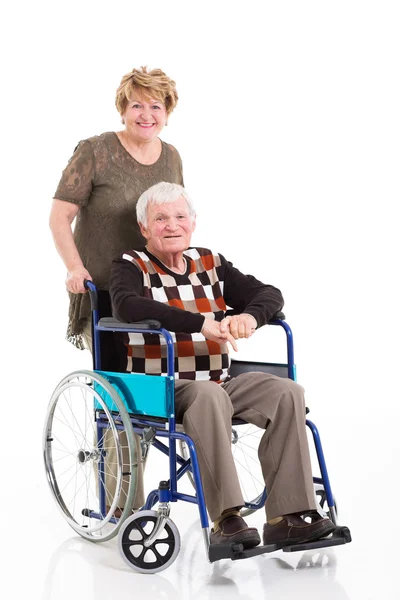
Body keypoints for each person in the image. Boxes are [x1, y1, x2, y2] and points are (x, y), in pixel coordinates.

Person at [109, 181, 336, 548]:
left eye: (180, 216)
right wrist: (200, 323)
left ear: (193, 223)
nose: (172, 225)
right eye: (161, 218)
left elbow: (269, 293)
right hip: (162, 387)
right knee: (208, 397)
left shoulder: (210, 262)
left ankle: (287, 517)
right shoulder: (130, 265)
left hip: (219, 379)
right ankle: (227, 519)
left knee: (287, 392)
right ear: (144, 228)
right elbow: (126, 306)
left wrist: (250, 317)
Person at [50, 66, 183, 511]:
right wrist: (74, 267)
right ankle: (121, 507)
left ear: (167, 112)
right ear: (123, 109)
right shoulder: (96, 151)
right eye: (137, 105)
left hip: (153, 293)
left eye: (156, 106)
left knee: (150, 395)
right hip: (103, 292)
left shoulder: (171, 157)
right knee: (120, 397)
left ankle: (134, 497)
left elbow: (172, 218)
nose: (146, 114)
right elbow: (58, 217)